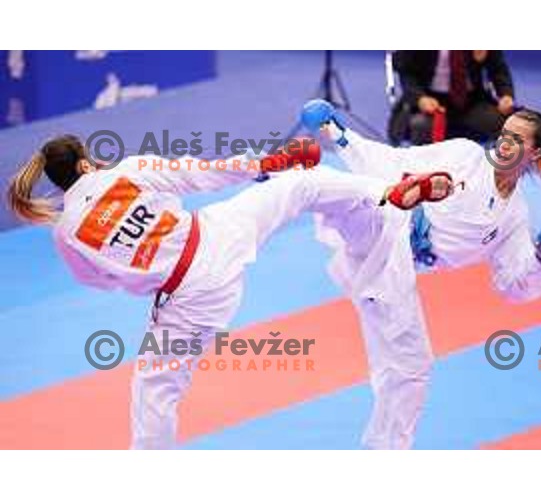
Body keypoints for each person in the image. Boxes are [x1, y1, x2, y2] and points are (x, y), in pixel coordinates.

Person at [7, 134, 454, 449]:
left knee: (155, 393)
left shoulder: (65, 234)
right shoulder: (126, 173)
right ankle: (387, 193)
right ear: (86, 164)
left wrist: (139, 273)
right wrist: (263, 163)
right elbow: (202, 173)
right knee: (301, 185)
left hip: (189, 299)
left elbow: (97, 280)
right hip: (219, 233)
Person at [302, 99, 541, 449]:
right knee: (343, 196)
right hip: (386, 226)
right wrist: (342, 138)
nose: (505, 142)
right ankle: (287, 170)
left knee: (408, 367)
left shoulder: (514, 217)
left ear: (536, 154)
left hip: (394, 268)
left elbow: (512, 285)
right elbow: (397, 162)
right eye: (505, 133)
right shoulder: (465, 156)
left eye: (517, 139)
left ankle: (384, 451)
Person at [387, 51, 515, 146]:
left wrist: (506, 95)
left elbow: (498, 69)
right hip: (431, 99)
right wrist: (420, 98)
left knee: (507, 125)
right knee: (421, 126)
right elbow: (406, 73)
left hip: (470, 101)